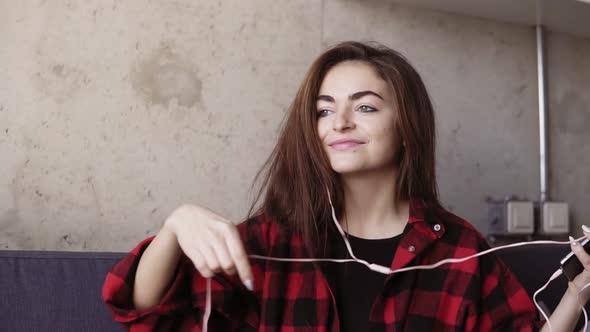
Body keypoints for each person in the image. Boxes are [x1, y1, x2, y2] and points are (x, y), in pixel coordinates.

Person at [103, 41, 590, 331]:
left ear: (407, 127)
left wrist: (575, 297)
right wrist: (176, 223)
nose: (338, 122)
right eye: (323, 109)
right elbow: (147, 313)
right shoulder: (268, 241)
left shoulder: (460, 249)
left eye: (365, 106)